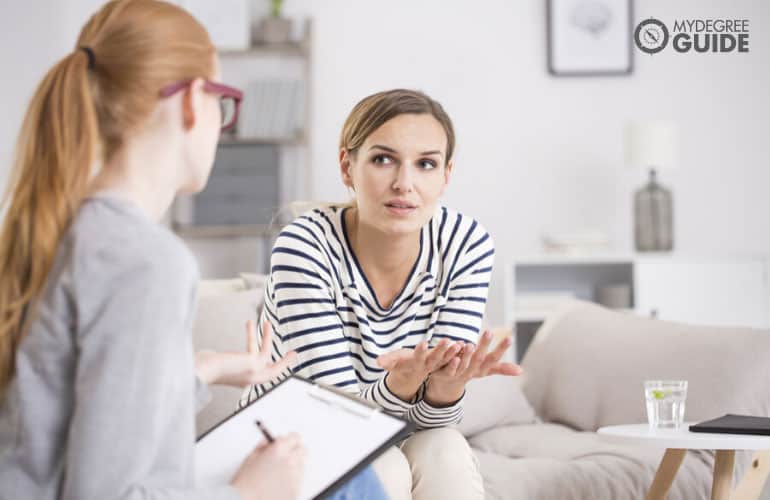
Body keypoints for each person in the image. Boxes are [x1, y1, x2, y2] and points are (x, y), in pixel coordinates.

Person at [0, 1, 385, 499]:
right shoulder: (144, 261)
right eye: (223, 100)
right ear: (193, 101)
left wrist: (206, 368)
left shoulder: (59, 228)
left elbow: (76, 415)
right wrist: (250, 494)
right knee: (351, 482)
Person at [245, 89, 522, 499]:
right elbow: (338, 418)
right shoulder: (304, 246)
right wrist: (401, 386)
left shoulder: (465, 244)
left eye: (425, 164)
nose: (404, 184)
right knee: (384, 466)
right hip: (292, 436)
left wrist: (447, 388)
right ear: (347, 167)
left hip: (389, 425)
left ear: (446, 175)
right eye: (382, 159)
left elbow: (435, 421)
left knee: (446, 450)